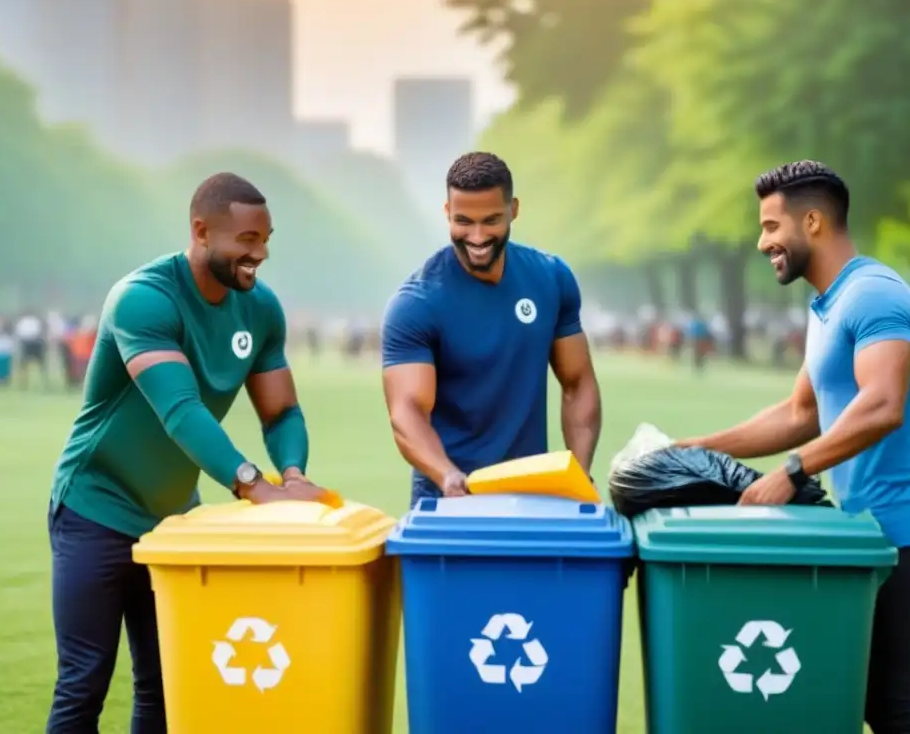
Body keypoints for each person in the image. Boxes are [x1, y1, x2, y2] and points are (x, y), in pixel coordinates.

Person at [677, 160, 910, 734]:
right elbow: (800, 413)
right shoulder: (828, 304)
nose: (762, 243)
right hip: (868, 535)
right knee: (869, 701)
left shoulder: (872, 296)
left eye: (771, 227)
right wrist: (692, 449)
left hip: (909, 535)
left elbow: (884, 404)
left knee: (894, 705)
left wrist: (791, 472)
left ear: (812, 222)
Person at [46, 173, 331, 733]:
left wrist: (292, 475)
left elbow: (281, 412)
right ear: (201, 231)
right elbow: (180, 411)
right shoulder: (143, 300)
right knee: (84, 682)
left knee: (165, 687)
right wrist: (255, 486)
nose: (261, 253)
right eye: (247, 240)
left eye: (266, 238)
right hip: (93, 510)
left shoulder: (260, 309)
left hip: (173, 522)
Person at [380, 152, 601, 506]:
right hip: (446, 499)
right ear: (447, 212)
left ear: (513, 209)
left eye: (491, 220)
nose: (477, 236)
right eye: (463, 221)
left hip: (533, 494)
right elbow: (407, 412)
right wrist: (448, 477)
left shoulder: (551, 277)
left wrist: (581, 471)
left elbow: (577, 382)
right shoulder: (416, 303)